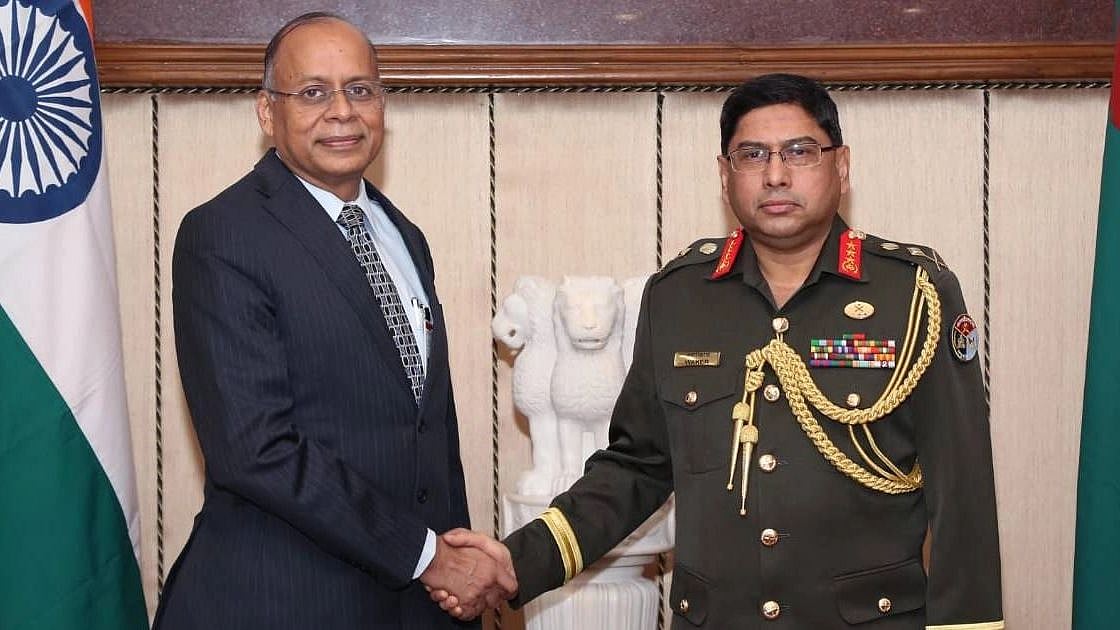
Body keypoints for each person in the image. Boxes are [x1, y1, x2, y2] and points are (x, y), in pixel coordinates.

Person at [439, 73, 1004, 629]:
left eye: (801, 152)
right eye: (752, 155)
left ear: (842, 165)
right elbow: (636, 468)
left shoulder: (911, 292)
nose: (776, 175)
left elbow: (963, 492)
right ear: (725, 174)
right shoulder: (678, 296)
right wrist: (519, 561)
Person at [151, 12, 514, 630]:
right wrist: (429, 558)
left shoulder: (403, 235)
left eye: (361, 89)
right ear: (268, 113)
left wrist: (458, 571)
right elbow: (255, 449)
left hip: (414, 607)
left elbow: (424, 429)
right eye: (313, 92)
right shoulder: (223, 234)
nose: (342, 111)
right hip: (282, 600)